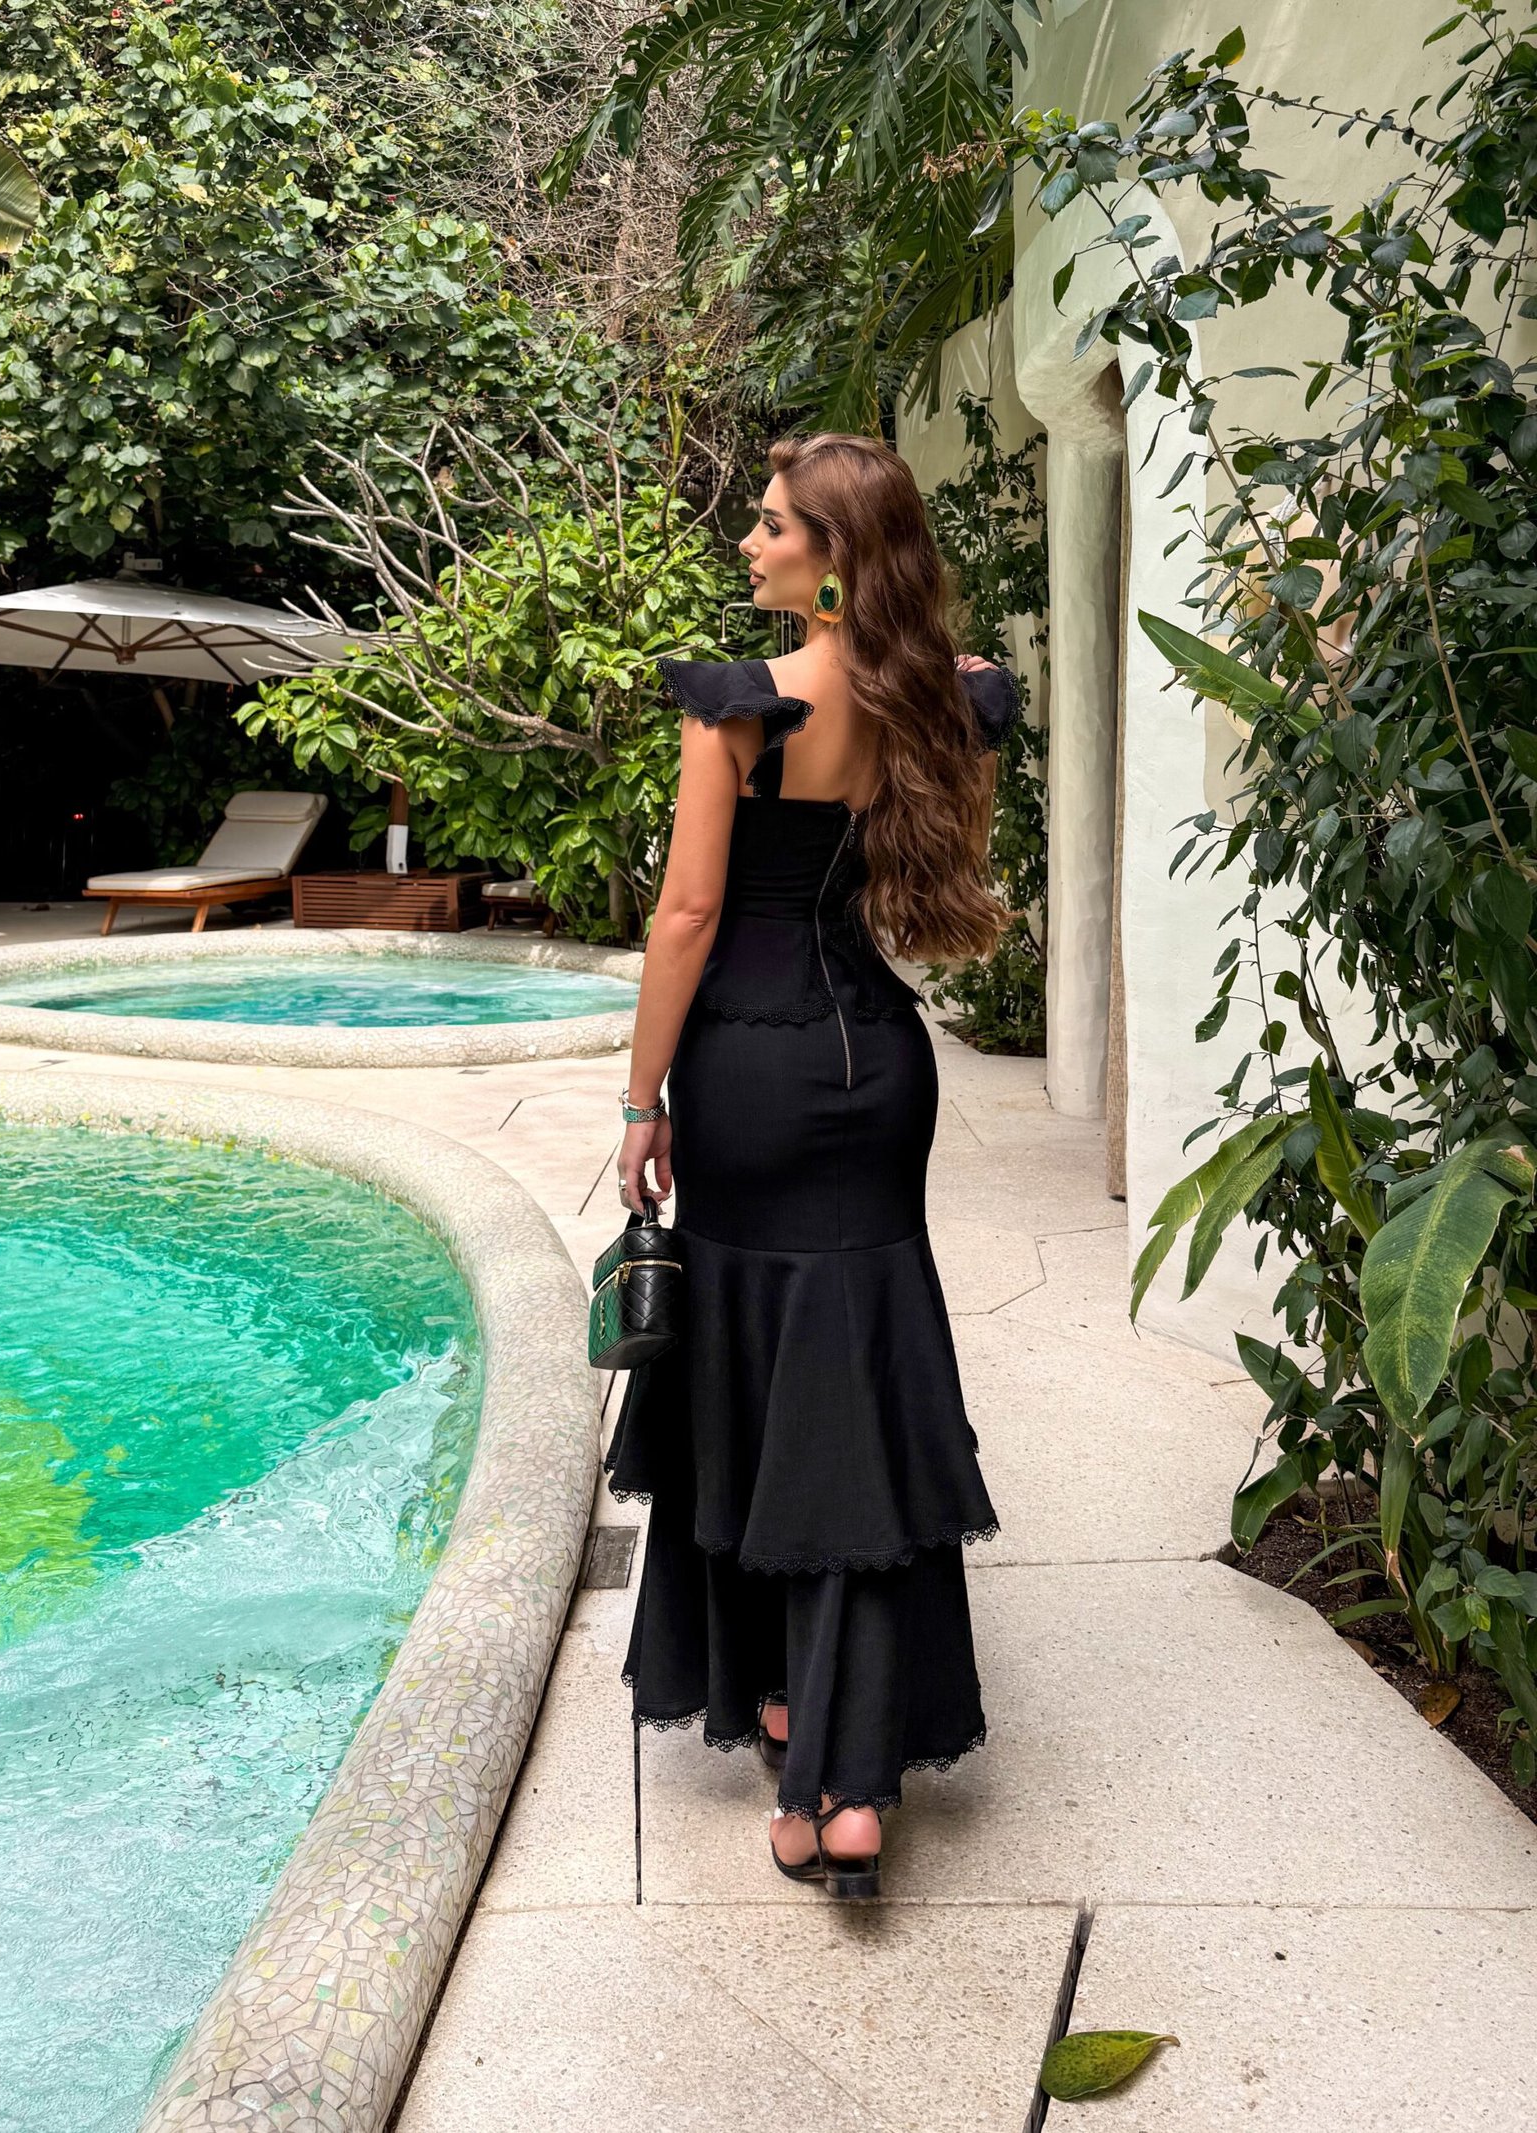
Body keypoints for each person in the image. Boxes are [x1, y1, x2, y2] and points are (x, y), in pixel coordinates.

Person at [604, 431, 1019, 1900]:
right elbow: (952, 777)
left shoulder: (741, 709)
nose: (750, 542)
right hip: (878, 1067)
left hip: (748, 1075)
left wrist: (642, 1099)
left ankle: (824, 1774)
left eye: (773, 525)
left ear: (833, 554)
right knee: (854, 1390)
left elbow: (686, 916)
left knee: (761, 1385)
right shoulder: (942, 699)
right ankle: (826, 1743)